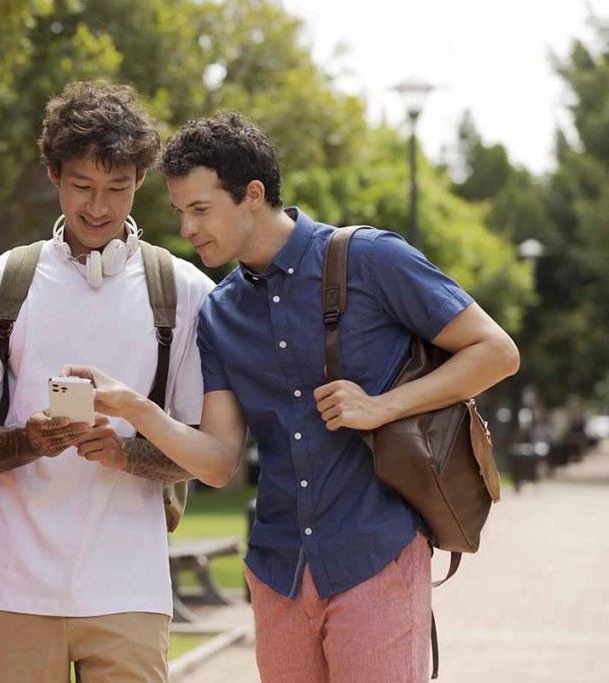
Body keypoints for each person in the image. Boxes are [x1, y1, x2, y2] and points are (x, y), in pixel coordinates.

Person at [65, 112, 521, 682]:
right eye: (181, 212)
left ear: (252, 195)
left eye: (201, 209)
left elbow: (496, 351)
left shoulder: (371, 259)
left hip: (374, 554)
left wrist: (382, 406)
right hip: (278, 572)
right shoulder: (220, 313)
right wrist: (136, 408)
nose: (188, 228)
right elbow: (217, 462)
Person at [0, 81, 215, 683]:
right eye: (82, 187)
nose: (98, 207)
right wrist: (28, 441)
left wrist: (125, 453)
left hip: (129, 585)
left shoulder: (186, 292)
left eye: (117, 188)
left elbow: (200, 451)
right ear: (52, 174)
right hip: (9, 585)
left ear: (140, 181)